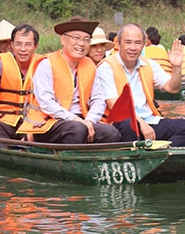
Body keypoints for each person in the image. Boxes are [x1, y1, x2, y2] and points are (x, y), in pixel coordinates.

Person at [17, 16, 121, 144]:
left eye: (86, 39)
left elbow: (98, 100)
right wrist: (75, 120)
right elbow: (46, 103)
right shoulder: (47, 64)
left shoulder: (90, 65)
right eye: (76, 38)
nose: (81, 44)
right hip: (48, 123)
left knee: (111, 133)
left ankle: (94, 160)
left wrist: (89, 121)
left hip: (82, 120)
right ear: (63, 39)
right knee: (77, 129)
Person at [98, 23, 185, 147]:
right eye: (128, 42)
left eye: (138, 43)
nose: (133, 48)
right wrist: (141, 123)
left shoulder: (149, 64)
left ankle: (163, 155)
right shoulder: (106, 67)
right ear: (118, 44)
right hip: (120, 123)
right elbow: (115, 105)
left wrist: (176, 67)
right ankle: (134, 157)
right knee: (128, 124)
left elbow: (173, 88)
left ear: (144, 45)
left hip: (149, 121)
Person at [0, 24, 45, 144]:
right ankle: (12, 150)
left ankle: (24, 144)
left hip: (32, 120)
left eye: (27, 44)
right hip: (5, 118)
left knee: (46, 131)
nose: (22, 49)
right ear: (13, 45)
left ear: (35, 46)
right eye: (18, 44)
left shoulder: (43, 65)